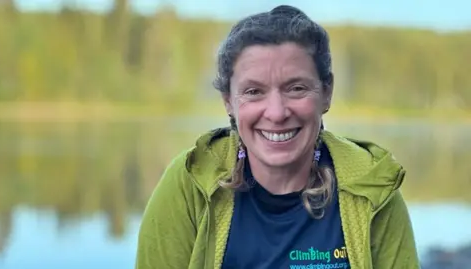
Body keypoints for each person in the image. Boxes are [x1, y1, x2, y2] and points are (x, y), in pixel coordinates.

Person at [135, 5, 420, 269]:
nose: (276, 112)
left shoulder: (373, 187)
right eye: (253, 91)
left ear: (326, 93)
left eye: (296, 88)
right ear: (228, 102)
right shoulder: (189, 183)